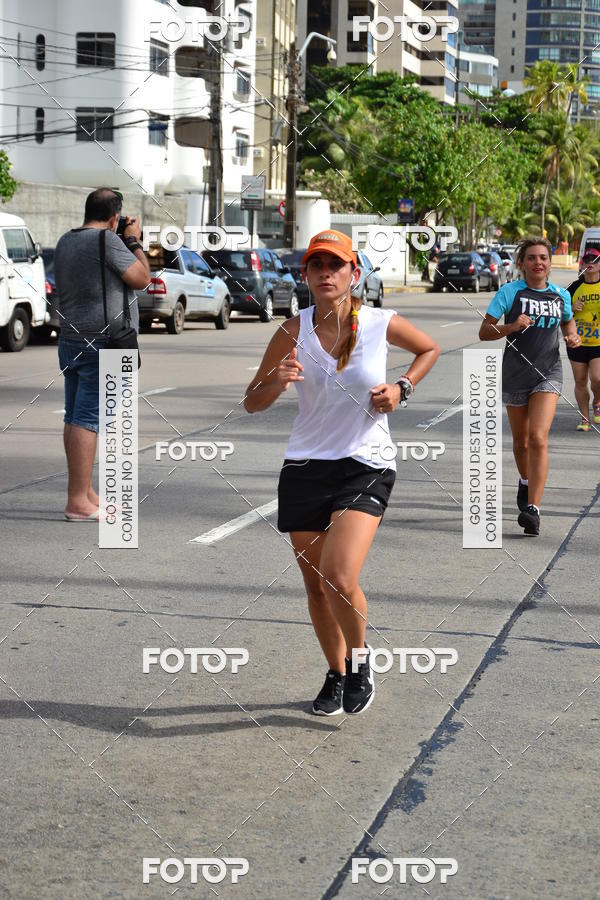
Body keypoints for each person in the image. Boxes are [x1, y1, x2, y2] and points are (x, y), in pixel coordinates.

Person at [244, 230, 440, 716]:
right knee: (315, 584)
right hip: (306, 465)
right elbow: (251, 402)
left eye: (336, 265)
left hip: (366, 463)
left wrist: (402, 388)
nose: (326, 273)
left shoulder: (379, 322)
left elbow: (429, 350)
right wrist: (276, 382)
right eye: (317, 265)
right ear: (306, 274)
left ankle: (359, 662)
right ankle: (336, 672)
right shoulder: (293, 331)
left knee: (338, 574)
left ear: (354, 273)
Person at [54, 188, 150, 522]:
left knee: (74, 417)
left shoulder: (66, 240)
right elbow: (142, 278)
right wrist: (133, 241)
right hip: (103, 343)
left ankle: (84, 492)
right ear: (114, 218)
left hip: (71, 340)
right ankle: (77, 501)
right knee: (89, 419)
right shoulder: (107, 241)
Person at [479, 236, 580, 536]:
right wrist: (512, 326)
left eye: (543, 258)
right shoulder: (509, 292)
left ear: (549, 263)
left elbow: (568, 323)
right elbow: (484, 331)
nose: (538, 262)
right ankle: (525, 481)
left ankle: (533, 509)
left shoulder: (561, 295)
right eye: (532, 258)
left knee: (538, 437)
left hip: (548, 372)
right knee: (521, 442)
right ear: (522, 263)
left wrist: (572, 336)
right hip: (515, 374)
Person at [565, 247, 600, 432]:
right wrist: (572, 307)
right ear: (582, 264)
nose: (591, 263)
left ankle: (597, 402)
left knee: (597, 378)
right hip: (577, 341)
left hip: (598, 342)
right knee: (580, 381)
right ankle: (585, 418)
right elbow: (560, 312)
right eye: (587, 260)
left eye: (595, 260)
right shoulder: (573, 287)